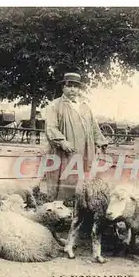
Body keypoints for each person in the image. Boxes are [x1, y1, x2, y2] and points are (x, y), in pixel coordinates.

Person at [40, 72, 109, 203]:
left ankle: (81, 205)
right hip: (65, 151)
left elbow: (94, 126)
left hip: (85, 150)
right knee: (65, 178)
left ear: (79, 89)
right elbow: (51, 127)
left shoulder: (84, 106)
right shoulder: (55, 106)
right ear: (63, 88)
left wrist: (101, 141)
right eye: (69, 85)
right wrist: (62, 141)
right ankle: (61, 207)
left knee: (84, 178)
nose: (72, 89)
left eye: (75, 86)